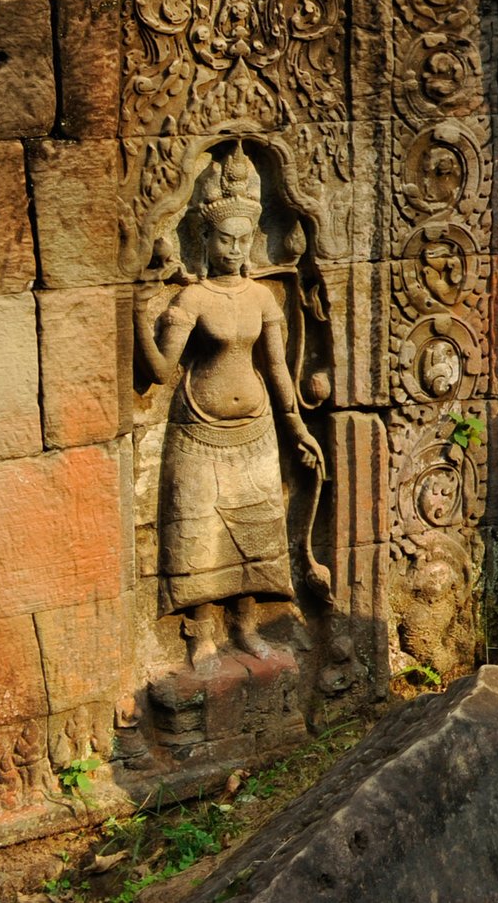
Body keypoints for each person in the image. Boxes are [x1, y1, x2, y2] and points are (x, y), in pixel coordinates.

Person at [139, 146, 325, 662]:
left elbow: (278, 368)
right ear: (204, 238)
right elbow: (158, 372)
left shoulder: (262, 298)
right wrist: (137, 308)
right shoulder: (192, 299)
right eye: (225, 237)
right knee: (199, 531)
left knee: (256, 527)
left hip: (257, 428)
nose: (235, 247)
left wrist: (297, 428)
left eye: (244, 238)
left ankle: (246, 625)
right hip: (199, 430)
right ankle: (200, 635)